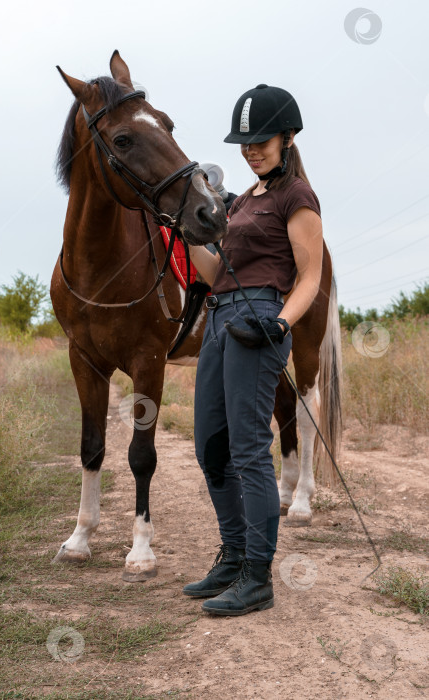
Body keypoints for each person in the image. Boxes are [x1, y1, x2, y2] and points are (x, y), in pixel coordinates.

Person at [184, 84, 323, 616]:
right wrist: (187, 227)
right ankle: (232, 554)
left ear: (287, 138)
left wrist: (282, 324)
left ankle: (256, 576)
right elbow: (216, 273)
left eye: (260, 140)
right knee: (209, 447)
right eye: (244, 142)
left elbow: (308, 277)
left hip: (260, 320)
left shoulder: (297, 196)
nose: (251, 149)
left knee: (246, 450)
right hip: (219, 318)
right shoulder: (242, 201)